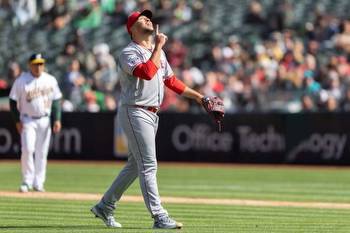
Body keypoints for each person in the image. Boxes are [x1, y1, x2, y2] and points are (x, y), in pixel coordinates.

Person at [91, 9, 206, 229]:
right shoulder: (128, 52)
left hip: (152, 113)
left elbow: (172, 81)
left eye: (148, 17)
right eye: (142, 18)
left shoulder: (157, 52)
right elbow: (145, 72)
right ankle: (159, 216)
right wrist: (160, 46)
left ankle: (105, 205)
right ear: (132, 28)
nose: (148, 19)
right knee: (148, 165)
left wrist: (199, 98)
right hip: (135, 110)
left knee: (135, 165)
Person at [9, 53, 62, 193]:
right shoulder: (22, 80)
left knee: (42, 152)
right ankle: (27, 180)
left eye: (41, 64)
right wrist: (16, 121)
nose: (38, 67)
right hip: (27, 119)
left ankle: (38, 183)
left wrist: (56, 119)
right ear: (29, 65)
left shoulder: (50, 79)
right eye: (36, 64)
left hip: (45, 119)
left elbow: (56, 100)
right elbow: (12, 101)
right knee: (27, 149)